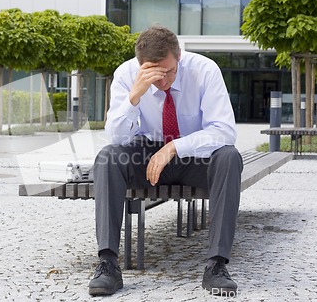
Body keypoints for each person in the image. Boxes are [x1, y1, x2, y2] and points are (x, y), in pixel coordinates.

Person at [88, 25, 243, 297]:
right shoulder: (126, 75)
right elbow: (115, 137)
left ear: (179, 56)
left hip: (193, 155)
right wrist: (134, 97)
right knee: (107, 158)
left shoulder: (205, 70)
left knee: (229, 157)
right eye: (154, 74)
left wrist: (174, 147)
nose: (162, 82)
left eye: (169, 72)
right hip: (145, 155)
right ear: (140, 65)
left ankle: (217, 265)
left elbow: (224, 131)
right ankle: (108, 263)